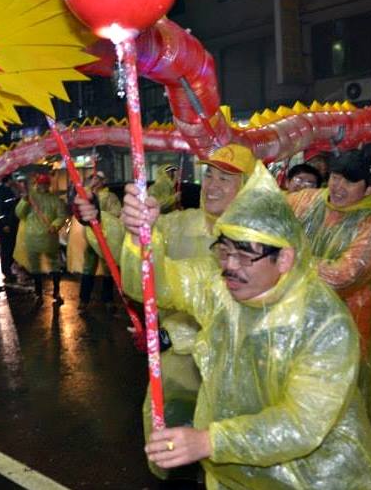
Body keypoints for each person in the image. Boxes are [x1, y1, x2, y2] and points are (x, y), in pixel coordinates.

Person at [117, 160, 371, 489]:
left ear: (285, 258)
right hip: (233, 474)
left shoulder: (324, 323)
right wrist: (140, 239)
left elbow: (301, 424)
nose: (230, 266)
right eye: (224, 250)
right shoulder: (217, 287)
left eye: (246, 253)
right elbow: (152, 285)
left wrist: (209, 442)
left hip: (315, 479)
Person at [78, 143, 256, 481]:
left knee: (226, 452)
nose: (213, 185)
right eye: (210, 175)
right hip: (177, 364)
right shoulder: (181, 223)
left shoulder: (258, 243)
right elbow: (135, 264)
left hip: (231, 368)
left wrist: (169, 334)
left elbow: (234, 310)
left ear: (246, 187)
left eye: (226, 179)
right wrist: (109, 222)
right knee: (169, 438)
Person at [287, 150, 371, 419]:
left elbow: (343, 277)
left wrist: (288, 259)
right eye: (335, 176)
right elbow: (268, 216)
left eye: (350, 181)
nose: (338, 186)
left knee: (341, 398)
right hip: (296, 316)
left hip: (346, 324)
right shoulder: (307, 201)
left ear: (369, 188)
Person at [70, 171, 122, 313]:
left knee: (108, 270)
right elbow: (79, 204)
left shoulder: (110, 196)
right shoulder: (87, 193)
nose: (95, 180)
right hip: (90, 237)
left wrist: (102, 217)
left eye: (98, 178)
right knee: (88, 269)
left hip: (106, 238)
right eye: (93, 178)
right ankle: (84, 300)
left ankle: (109, 300)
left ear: (103, 181)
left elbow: (116, 213)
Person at [14, 173, 67, 305]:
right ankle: (40, 293)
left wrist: (55, 226)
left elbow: (61, 215)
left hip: (48, 237)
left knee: (52, 266)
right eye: (41, 183)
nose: (43, 186)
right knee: (37, 267)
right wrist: (25, 201)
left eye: (45, 183)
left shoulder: (54, 199)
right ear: (37, 184)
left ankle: (54, 292)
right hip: (35, 237)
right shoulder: (31, 198)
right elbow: (19, 213)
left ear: (48, 185)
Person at [0, 175, 20, 283]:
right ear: (9, 180)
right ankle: (6, 271)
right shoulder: (0, 193)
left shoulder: (9, 191)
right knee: (6, 250)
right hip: (6, 226)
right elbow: (0, 211)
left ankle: (9, 270)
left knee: (11, 248)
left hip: (12, 224)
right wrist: (4, 225)